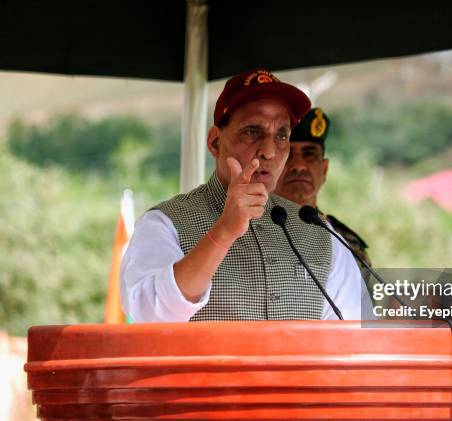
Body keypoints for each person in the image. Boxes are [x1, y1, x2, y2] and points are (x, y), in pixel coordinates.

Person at [120, 69, 370, 322]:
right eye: (252, 131)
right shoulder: (165, 223)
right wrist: (223, 233)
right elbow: (150, 314)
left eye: (282, 135)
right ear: (215, 142)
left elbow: (355, 339)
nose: (269, 151)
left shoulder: (319, 232)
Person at [274, 107, 372, 283]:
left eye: (309, 154)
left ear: (324, 169)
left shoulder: (346, 243)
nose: (298, 165)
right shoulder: (243, 231)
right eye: (288, 155)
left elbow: (362, 309)